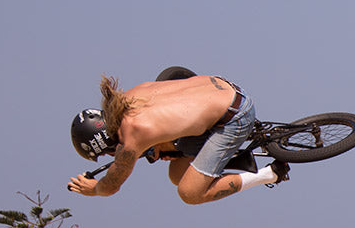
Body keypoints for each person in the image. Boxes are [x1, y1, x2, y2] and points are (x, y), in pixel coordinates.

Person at [68, 74, 287, 204]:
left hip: (235, 118)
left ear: (105, 142)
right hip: (225, 88)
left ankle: (268, 175)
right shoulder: (127, 99)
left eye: (107, 152)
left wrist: (94, 189)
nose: (111, 155)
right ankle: (221, 158)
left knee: (190, 193)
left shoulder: (131, 137)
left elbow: (111, 186)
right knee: (177, 174)